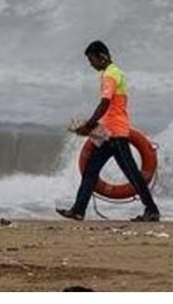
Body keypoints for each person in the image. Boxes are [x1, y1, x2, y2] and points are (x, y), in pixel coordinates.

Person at [57, 40, 161, 222]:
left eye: (92, 60)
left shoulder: (110, 75)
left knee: (132, 174)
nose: (91, 64)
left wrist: (89, 125)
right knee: (91, 171)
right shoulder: (115, 72)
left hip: (116, 135)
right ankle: (78, 210)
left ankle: (152, 211)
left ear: (102, 57)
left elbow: (104, 103)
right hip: (109, 134)